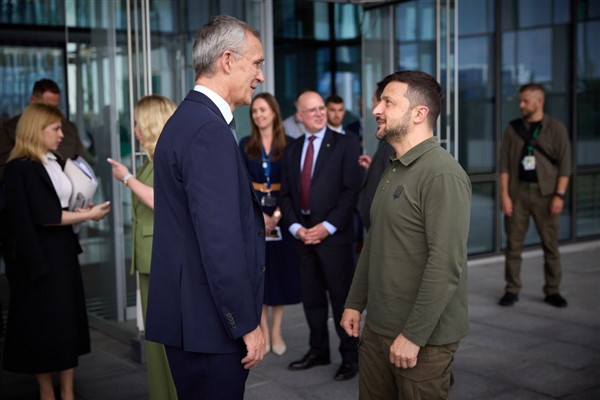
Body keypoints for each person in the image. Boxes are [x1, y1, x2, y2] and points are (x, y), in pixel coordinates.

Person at [144, 15, 267, 400]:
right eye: (257, 63)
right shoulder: (207, 130)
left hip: (194, 322)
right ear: (228, 61)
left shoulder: (190, 120)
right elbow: (219, 241)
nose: (261, 76)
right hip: (209, 328)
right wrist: (246, 324)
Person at [341, 70, 472, 400]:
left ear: (419, 113)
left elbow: (445, 265)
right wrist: (355, 303)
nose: (376, 110)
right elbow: (375, 241)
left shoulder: (442, 174)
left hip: (422, 341)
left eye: (388, 101)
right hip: (377, 329)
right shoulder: (394, 166)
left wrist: (413, 336)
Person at [2, 103, 111, 400]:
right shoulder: (19, 168)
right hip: (38, 257)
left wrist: (80, 209)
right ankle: (47, 392)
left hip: (61, 252)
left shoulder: (53, 159)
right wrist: (88, 216)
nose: (62, 135)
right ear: (36, 131)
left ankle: (67, 391)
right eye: (55, 129)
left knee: (65, 323)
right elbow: (45, 215)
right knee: (42, 327)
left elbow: (59, 207)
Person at [280, 90, 362, 381]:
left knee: (342, 300)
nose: (318, 113)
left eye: (320, 108)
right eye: (310, 110)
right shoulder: (291, 150)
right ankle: (318, 351)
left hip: (334, 238)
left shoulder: (346, 143)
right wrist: (296, 228)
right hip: (302, 237)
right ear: (299, 116)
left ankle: (351, 356)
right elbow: (286, 195)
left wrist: (326, 227)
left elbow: (352, 191)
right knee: (312, 299)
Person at [106, 94, 178, 399]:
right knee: (156, 338)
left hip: (159, 259)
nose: (134, 128)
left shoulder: (164, 156)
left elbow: (160, 202)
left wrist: (126, 179)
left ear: (149, 123)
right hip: (150, 259)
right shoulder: (152, 158)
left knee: (163, 337)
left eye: (137, 122)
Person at [239, 93, 302, 356]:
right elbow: (241, 183)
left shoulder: (289, 144)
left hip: (282, 211)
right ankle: (262, 328)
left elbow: (293, 183)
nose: (258, 115)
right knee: (258, 273)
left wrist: (276, 214)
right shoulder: (245, 144)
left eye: (263, 110)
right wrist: (260, 215)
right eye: (254, 111)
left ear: (274, 113)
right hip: (255, 214)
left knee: (280, 272)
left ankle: (276, 329)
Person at [498, 83, 571, 308]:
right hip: (517, 193)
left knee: (550, 245)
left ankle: (552, 290)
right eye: (520, 101)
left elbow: (565, 166)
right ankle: (512, 289)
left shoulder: (556, 128)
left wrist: (559, 195)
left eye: (525, 101)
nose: (521, 105)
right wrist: (505, 196)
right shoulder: (513, 129)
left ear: (539, 102)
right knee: (513, 245)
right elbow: (504, 167)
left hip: (546, 195)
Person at [357, 80, 395, 230]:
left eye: (375, 101)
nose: (375, 110)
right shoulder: (385, 138)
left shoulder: (393, 142)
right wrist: (373, 167)